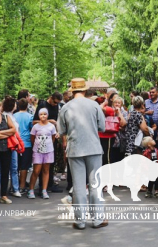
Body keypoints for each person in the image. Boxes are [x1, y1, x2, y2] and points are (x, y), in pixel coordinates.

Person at [57, 78, 107, 230]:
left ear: (72, 91)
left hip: (75, 149)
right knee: (95, 185)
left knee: (78, 186)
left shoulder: (65, 107)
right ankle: (97, 219)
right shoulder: (94, 105)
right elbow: (102, 127)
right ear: (85, 90)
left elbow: (61, 131)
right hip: (93, 147)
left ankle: (80, 221)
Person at [33, 92, 63, 192]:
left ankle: (49, 184)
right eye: (54, 102)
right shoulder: (42, 105)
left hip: (52, 136)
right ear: (50, 98)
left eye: (58, 103)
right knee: (41, 164)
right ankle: (42, 185)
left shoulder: (56, 106)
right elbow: (34, 121)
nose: (55, 104)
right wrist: (48, 121)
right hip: (42, 138)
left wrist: (57, 132)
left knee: (50, 162)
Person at [28, 108, 58, 199]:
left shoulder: (51, 126)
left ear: (47, 115)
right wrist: (37, 146)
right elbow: (32, 138)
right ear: (39, 116)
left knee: (46, 170)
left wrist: (48, 145)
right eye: (41, 114)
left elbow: (53, 137)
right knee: (36, 171)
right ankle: (31, 190)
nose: (43, 116)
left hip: (48, 151)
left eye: (45, 114)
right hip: (37, 151)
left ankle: (44, 190)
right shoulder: (36, 127)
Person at [13, 98, 33, 195]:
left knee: (16, 166)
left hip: (15, 142)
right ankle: (22, 185)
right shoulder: (30, 116)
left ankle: (14, 185)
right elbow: (32, 129)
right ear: (27, 106)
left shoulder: (13, 116)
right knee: (24, 166)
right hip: (27, 143)